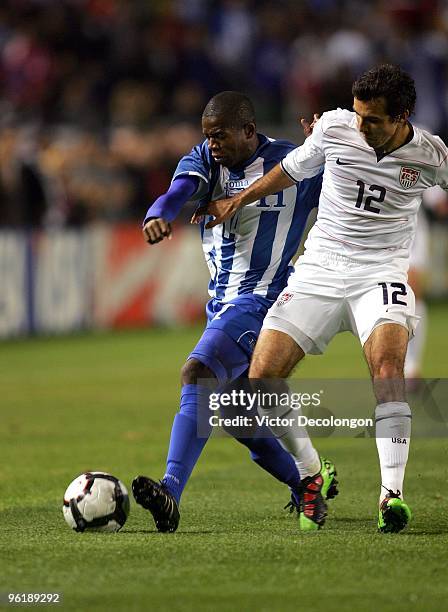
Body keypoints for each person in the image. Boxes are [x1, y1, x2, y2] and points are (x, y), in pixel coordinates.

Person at [195, 65, 448, 533]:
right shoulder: (335, 127)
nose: (361, 125)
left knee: (389, 370)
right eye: (358, 115)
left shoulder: (431, 154)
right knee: (263, 375)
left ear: (402, 117)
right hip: (320, 268)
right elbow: (290, 171)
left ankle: (390, 495)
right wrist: (238, 200)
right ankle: (312, 473)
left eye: (372, 120)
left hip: (381, 272)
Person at [133, 91, 338, 533]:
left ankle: (171, 489)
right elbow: (179, 190)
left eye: (220, 135)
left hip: (264, 300)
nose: (213, 144)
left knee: (197, 372)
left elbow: (337, 188)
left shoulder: (291, 162)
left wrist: (327, 150)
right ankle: (306, 482)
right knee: (237, 418)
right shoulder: (206, 161)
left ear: (249, 130)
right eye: (207, 136)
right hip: (221, 307)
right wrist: (158, 213)